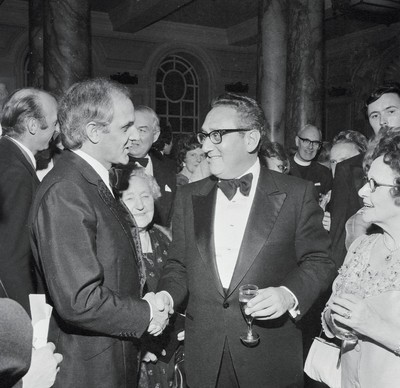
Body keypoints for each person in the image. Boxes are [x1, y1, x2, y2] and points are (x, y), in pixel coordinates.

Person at [155, 93, 335, 388]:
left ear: (251, 139)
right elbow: (178, 265)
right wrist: (165, 297)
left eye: (216, 135)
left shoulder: (296, 194)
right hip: (205, 358)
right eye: (203, 136)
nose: (205, 146)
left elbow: (320, 261)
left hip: (269, 358)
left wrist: (288, 294)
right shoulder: (189, 196)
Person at [29, 78, 170, 388]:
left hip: (110, 360)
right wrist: (145, 313)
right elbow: (79, 300)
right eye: (126, 127)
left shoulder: (91, 181)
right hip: (90, 371)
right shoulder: (67, 190)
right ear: (94, 132)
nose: (134, 136)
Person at [322, 129, 400, 387]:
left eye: (375, 184)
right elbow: (331, 311)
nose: (363, 191)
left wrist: (369, 323)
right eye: (367, 180)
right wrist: (335, 321)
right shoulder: (361, 247)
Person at [119, 166, 183, 388]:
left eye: (145, 196)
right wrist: (137, 349)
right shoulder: (114, 246)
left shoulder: (167, 237)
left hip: (175, 352)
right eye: (130, 198)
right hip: (137, 357)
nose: (140, 205)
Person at [330, 82, 400, 269]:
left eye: (391, 111)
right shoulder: (349, 169)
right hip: (369, 270)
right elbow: (338, 240)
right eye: (375, 115)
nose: (383, 121)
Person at [0, 88, 58, 313]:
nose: (57, 131)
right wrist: (30, 321)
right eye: (54, 123)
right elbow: (13, 258)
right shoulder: (16, 172)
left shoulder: (6, 155)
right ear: (33, 126)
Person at [126, 105, 176, 227]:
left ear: (155, 136)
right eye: (129, 129)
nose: (134, 137)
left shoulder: (168, 168)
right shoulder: (111, 168)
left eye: (142, 130)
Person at [290, 124, 332, 200]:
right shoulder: (283, 166)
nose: (310, 147)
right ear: (297, 141)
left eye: (315, 143)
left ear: (319, 147)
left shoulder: (324, 173)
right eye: (306, 141)